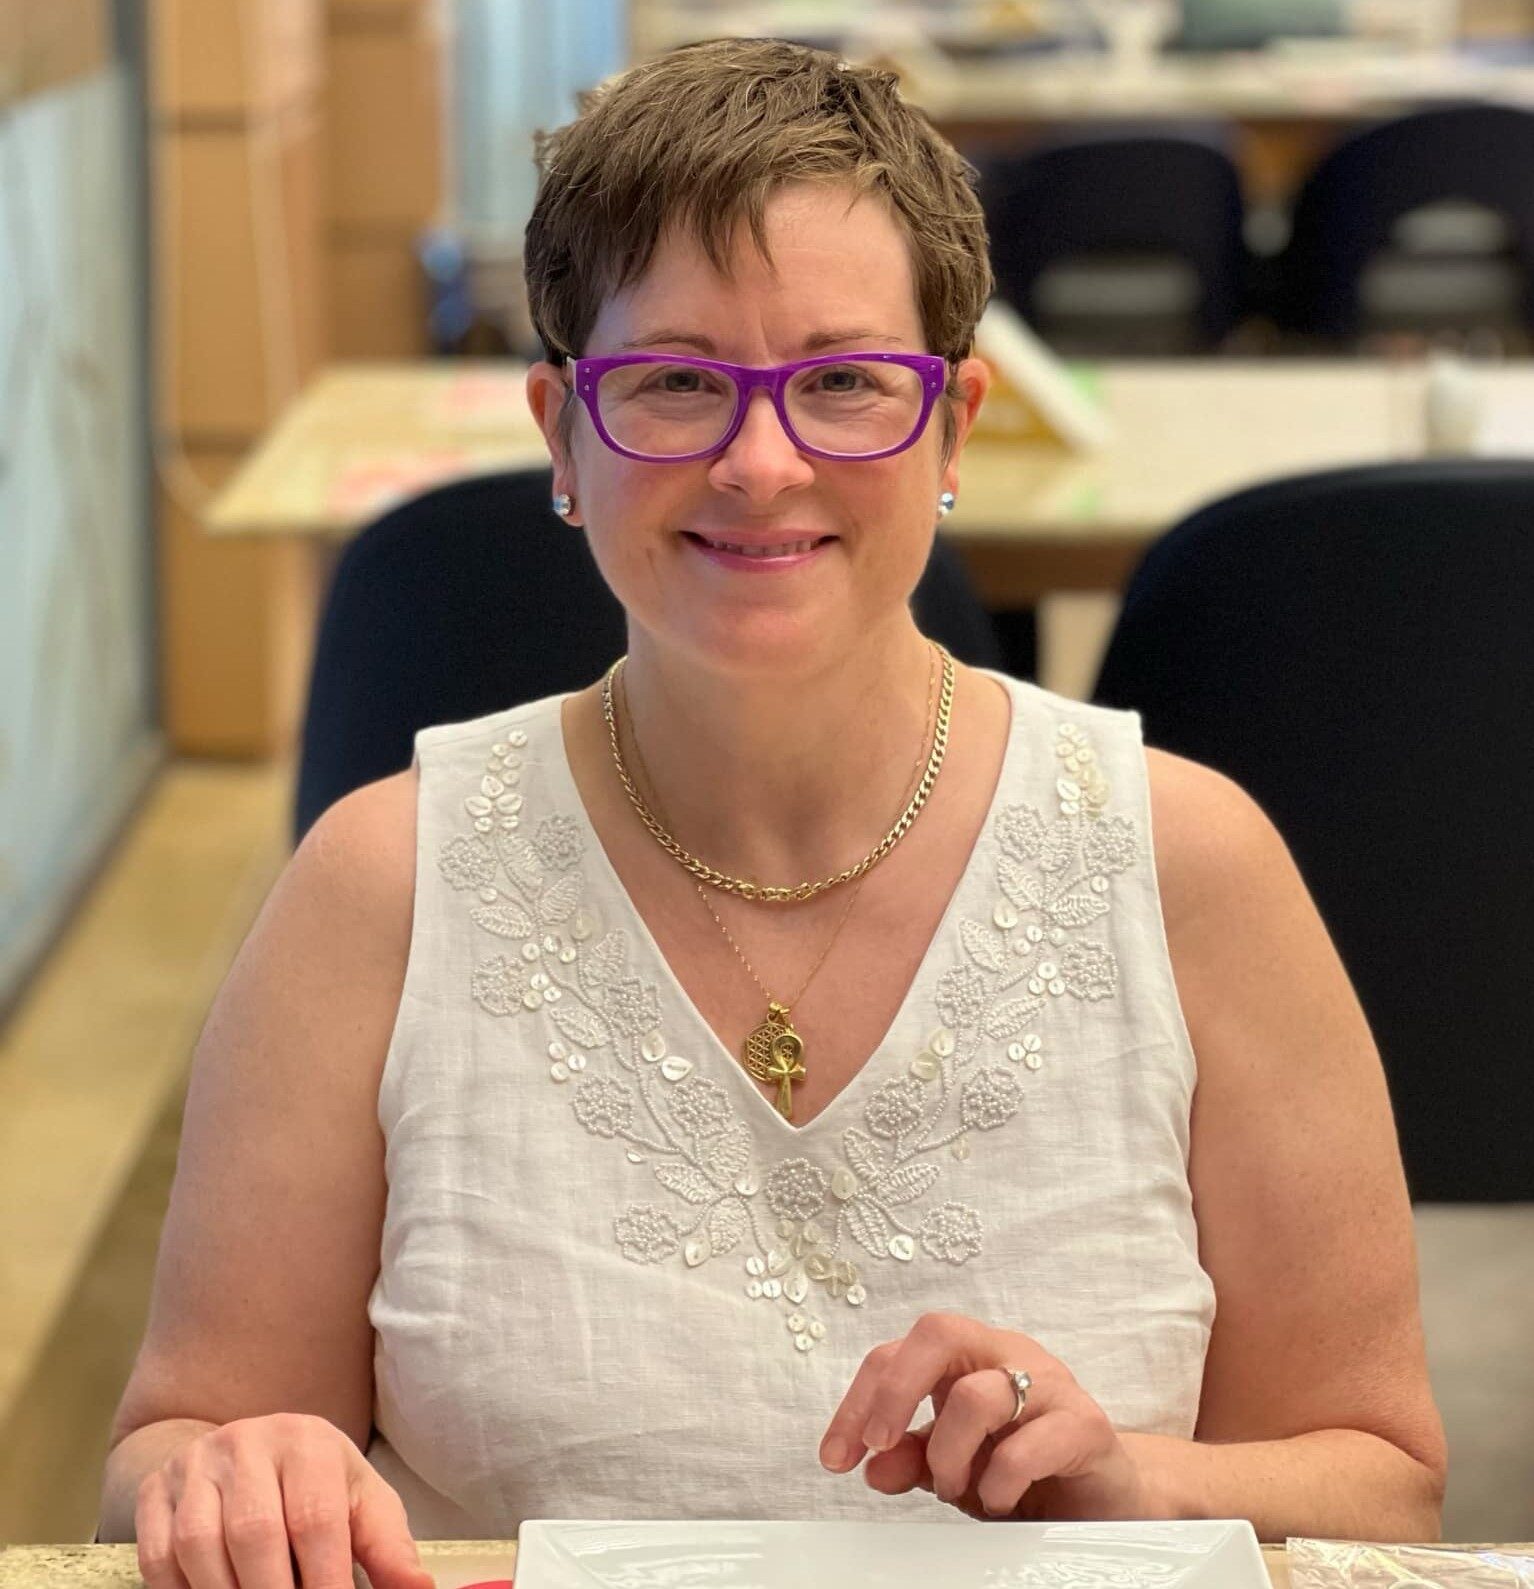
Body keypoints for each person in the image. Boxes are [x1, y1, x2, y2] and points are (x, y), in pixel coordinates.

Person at [101, 37, 1445, 1589]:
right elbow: (164, 1453)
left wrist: (1130, 1477)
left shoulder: (1185, 861)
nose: (760, 459)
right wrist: (232, 1470)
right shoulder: (381, 887)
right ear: (559, 433)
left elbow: (1390, 1490)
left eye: (843, 381)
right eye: (673, 380)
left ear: (951, 425)